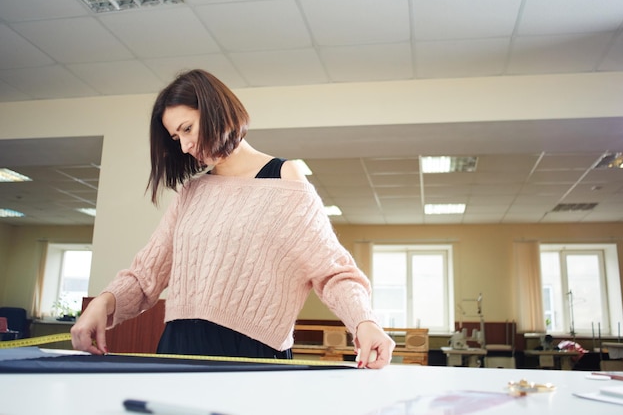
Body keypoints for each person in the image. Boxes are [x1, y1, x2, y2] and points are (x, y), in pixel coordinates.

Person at [71, 69, 395, 369]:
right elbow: (145, 277)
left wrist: (364, 322)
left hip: (251, 355)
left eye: (187, 129)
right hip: (177, 350)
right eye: (175, 138)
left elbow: (333, 272)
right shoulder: (191, 193)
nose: (185, 146)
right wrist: (104, 302)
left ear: (216, 111)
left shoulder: (283, 179)